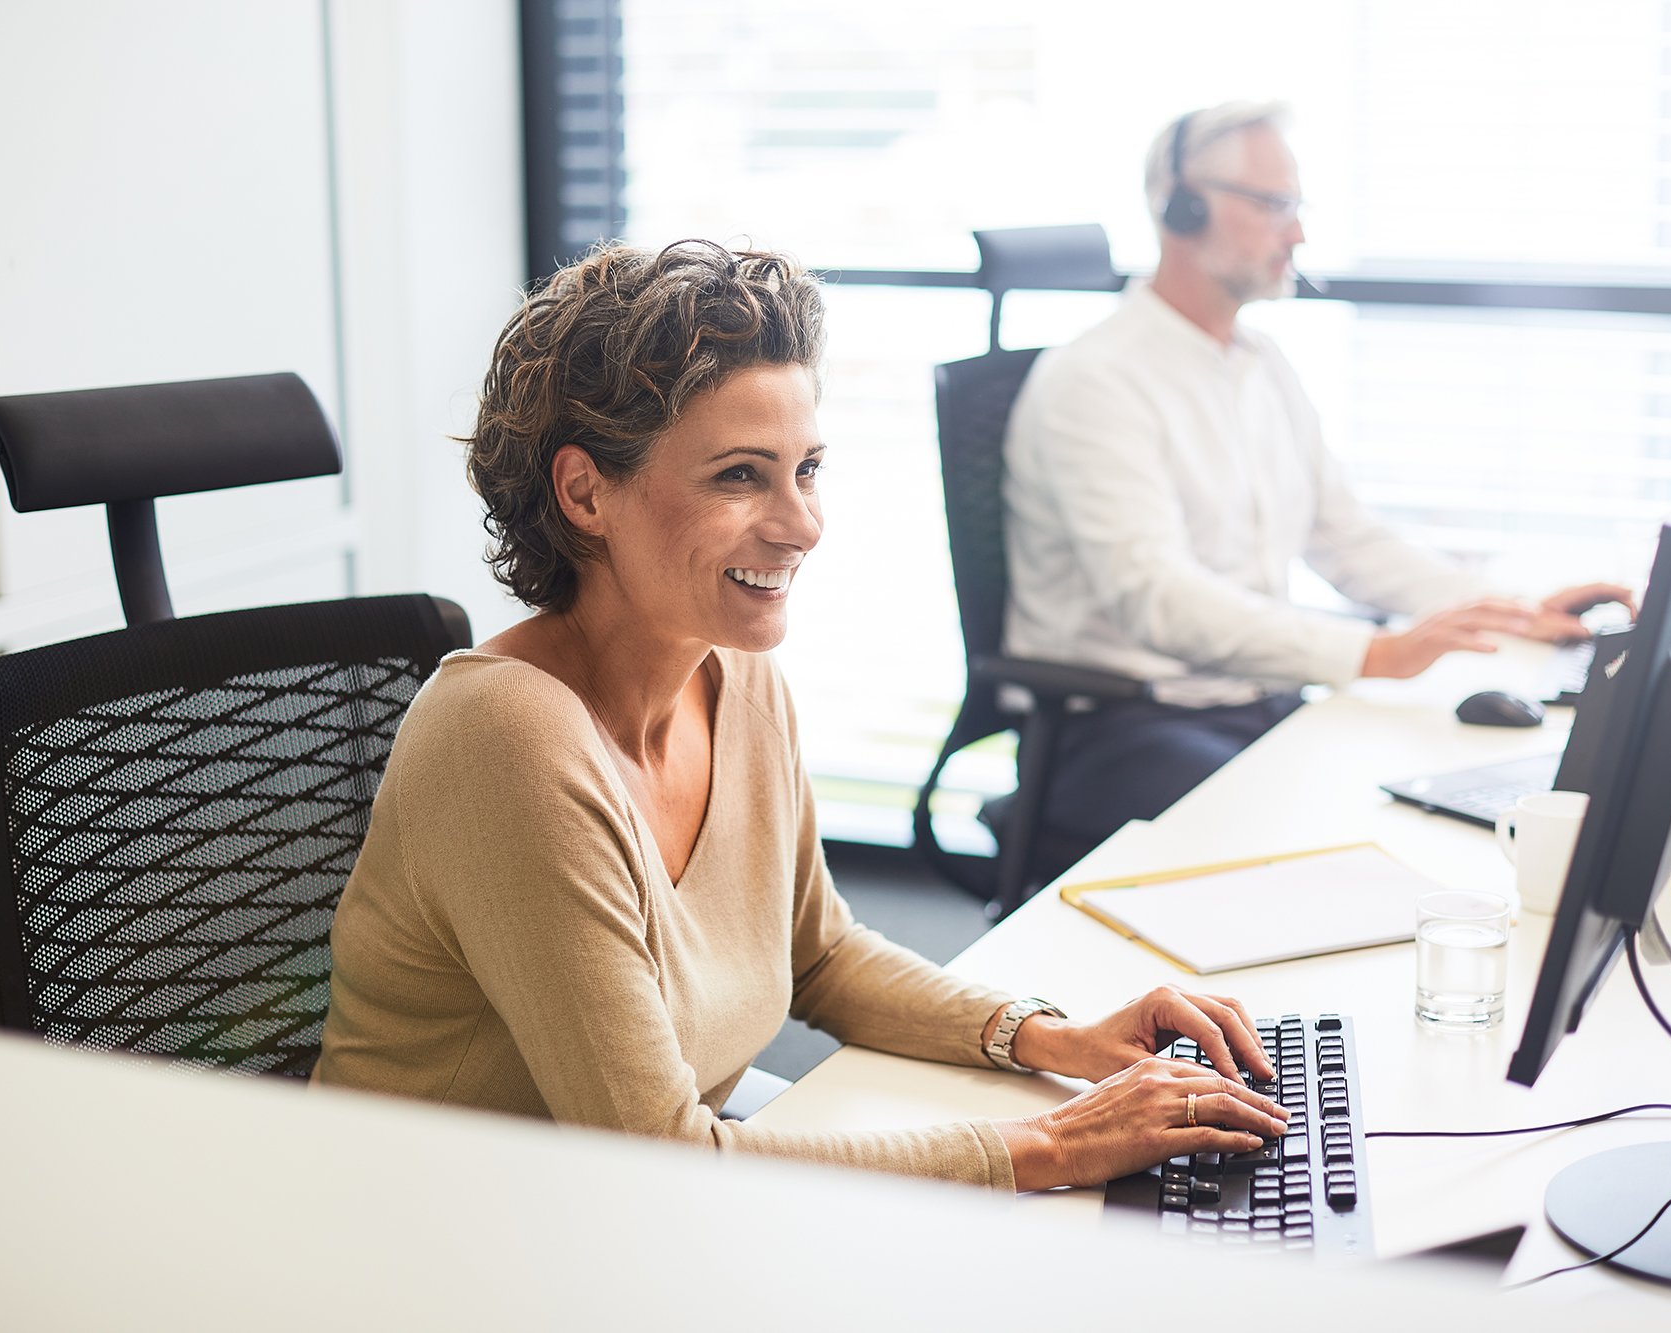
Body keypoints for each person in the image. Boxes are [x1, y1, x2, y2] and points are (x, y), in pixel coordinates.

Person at [314, 240, 1287, 1191]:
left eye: (806, 467)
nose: (801, 524)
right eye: (739, 475)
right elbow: (661, 1157)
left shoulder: (733, 674)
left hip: (610, 1220)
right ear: (584, 491)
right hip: (442, 1246)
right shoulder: (506, 735)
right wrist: (1048, 1145)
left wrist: (1055, 1037)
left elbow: (816, 953)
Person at [1001, 101, 1632, 872]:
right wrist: (1376, 651)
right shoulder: (1096, 380)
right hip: (1121, 729)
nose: (1295, 233)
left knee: (1417, 806)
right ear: (1182, 206)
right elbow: (1156, 597)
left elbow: (1346, 536)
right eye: (1271, 205)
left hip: (1255, 701)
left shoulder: (1260, 362)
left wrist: (1510, 610)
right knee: (1327, 858)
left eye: (1295, 206)